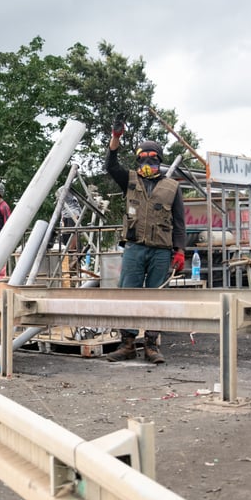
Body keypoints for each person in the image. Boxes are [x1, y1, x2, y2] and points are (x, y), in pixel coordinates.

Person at [104, 116, 186, 364]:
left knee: (156, 297)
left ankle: (151, 345)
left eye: (152, 157)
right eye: (142, 157)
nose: (147, 161)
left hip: (161, 251)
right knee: (128, 295)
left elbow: (180, 223)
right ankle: (127, 344)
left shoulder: (172, 187)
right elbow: (110, 165)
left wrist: (179, 251)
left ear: (159, 160)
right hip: (134, 248)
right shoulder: (129, 180)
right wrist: (115, 138)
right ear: (137, 160)